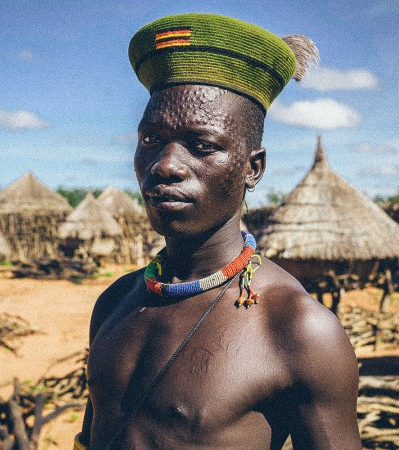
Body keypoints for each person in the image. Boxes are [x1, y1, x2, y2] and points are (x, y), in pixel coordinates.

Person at [76, 13, 361, 449]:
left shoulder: (297, 330)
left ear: (253, 168)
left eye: (202, 145)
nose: (165, 165)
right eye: (151, 140)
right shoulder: (115, 302)